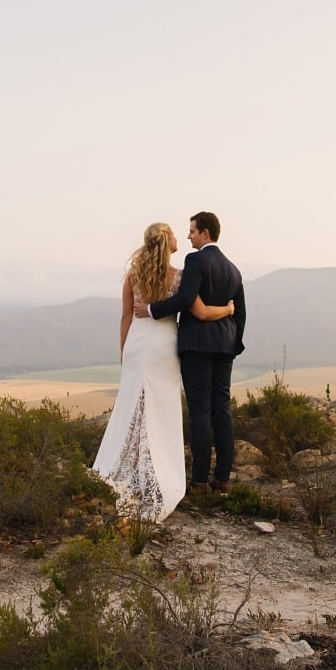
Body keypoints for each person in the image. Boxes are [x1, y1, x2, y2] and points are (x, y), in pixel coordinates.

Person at [92, 222, 234, 521]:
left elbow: (126, 316)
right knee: (162, 406)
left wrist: (124, 351)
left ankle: (121, 463)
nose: (179, 236)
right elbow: (200, 312)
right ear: (165, 242)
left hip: (137, 342)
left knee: (130, 404)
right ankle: (161, 469)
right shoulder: (179, 277)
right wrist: (228, 310)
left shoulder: (133, 274)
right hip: (164, 345)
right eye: (172, 232)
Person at [135, 211, 246, 493]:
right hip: (224, 346)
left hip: (197, 346)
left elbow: (186, 299)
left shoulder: (195, 260)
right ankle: (222, 478)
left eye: (193, 231)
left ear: (205, 234)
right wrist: (235, 343)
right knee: (222, 408)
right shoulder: (234, 270)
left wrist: (150, 310)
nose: (188, 236)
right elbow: (240, 313)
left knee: (200, 411)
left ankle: (198, 480)